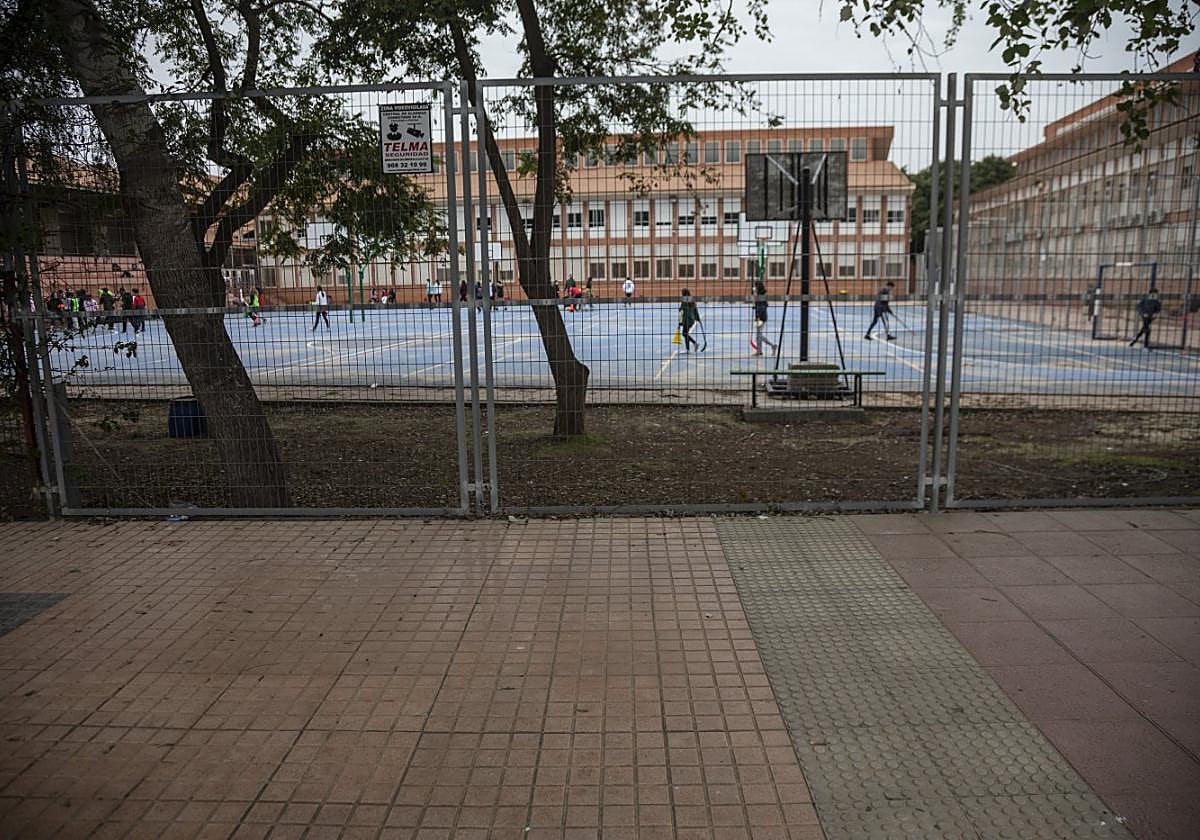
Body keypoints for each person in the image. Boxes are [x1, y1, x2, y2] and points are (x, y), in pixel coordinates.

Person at [749, 281, 777, 356]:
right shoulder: (759, 295)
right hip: (760, 316)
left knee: (759, 335)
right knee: (758, 335)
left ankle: (772, 346)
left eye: (755, 287)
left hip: (761, 317)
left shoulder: (761, 296)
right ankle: (759, 351)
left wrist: (758, 316)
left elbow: (762, 307)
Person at [678, 288, 701, 352]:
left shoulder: (683, 300)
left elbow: (681, 310)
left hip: (686, 319)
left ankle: (695, 343)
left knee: (684, 334)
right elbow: (695, 310)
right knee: (686, 334)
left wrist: (680, 322)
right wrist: (698, 318)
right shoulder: (692, 299)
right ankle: (688, 349)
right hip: (691, 320)